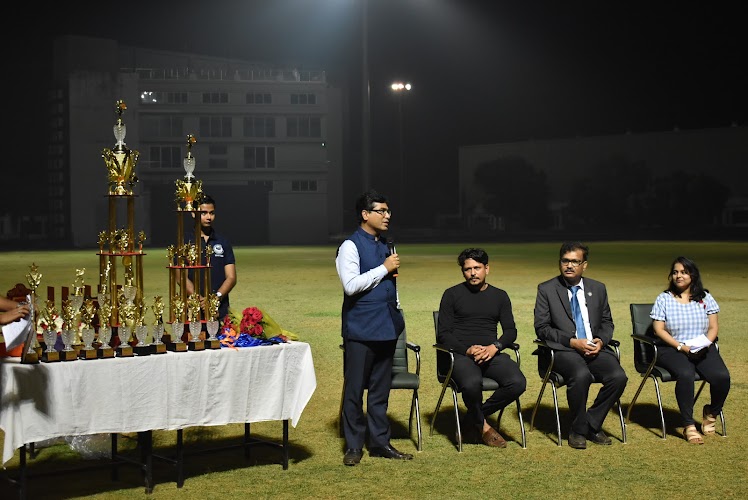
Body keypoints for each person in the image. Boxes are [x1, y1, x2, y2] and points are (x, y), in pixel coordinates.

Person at [335, 189, 412, 466]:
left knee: (380, 392)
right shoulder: (350, 246)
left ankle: (380, 443)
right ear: (365, 214)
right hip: (361, 329)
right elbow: (351, 285)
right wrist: (384, 268)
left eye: (388, 211)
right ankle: (354, 446)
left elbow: (391, 284)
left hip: (387, 327)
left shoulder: (386, 244)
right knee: (354, 391)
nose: (387, 215)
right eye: (381, 211)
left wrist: (397, 309)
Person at [533, 241, 628, 449]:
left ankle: (590, 423)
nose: (569, 265)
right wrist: (572, 342)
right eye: (565, 261)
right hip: (563, 350)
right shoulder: (547, 289)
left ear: (584, 265)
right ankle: (577, 430)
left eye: (575, 262)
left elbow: (607, 322)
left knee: (618, 377)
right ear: (560, 262)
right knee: (581, 375)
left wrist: (601, 340)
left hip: (594, 348)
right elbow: (542, 328)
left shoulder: (598, 288)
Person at [437, 248, 527, 447]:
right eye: (467, 269)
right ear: (463, 271)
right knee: (472, 383)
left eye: (477, 268)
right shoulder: (451, 295)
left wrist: (495, 347)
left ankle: (472, 418)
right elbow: (444, 333)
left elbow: (510, 331)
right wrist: (467, 350)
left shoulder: (500, 296)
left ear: (487, 268)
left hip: (491, 353)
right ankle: (484, 427)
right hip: (461, 355)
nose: (472, 273)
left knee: (517, 382)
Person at [650, 256, 730, 445]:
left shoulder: (705, 297)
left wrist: (705, 344)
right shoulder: (664, 299)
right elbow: (658, 329)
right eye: (675, 272)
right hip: (672, 348)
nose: (679, 276)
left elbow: (713, 327)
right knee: (685, 373)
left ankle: (711, 413)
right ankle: (688, 425)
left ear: (693, 275)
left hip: (701, 346)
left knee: (722, 377)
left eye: (684, 272)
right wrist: (681, 347)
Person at [185, 194, 236, 322]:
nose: (209, 217)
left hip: (220, 309)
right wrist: (200, 300)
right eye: (204, 213)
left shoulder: (223, 242)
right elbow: (181, 277)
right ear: (193, 213)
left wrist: (214, 299)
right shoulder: (185, 242)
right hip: (193, 310)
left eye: (212, 213)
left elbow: (231, 277)